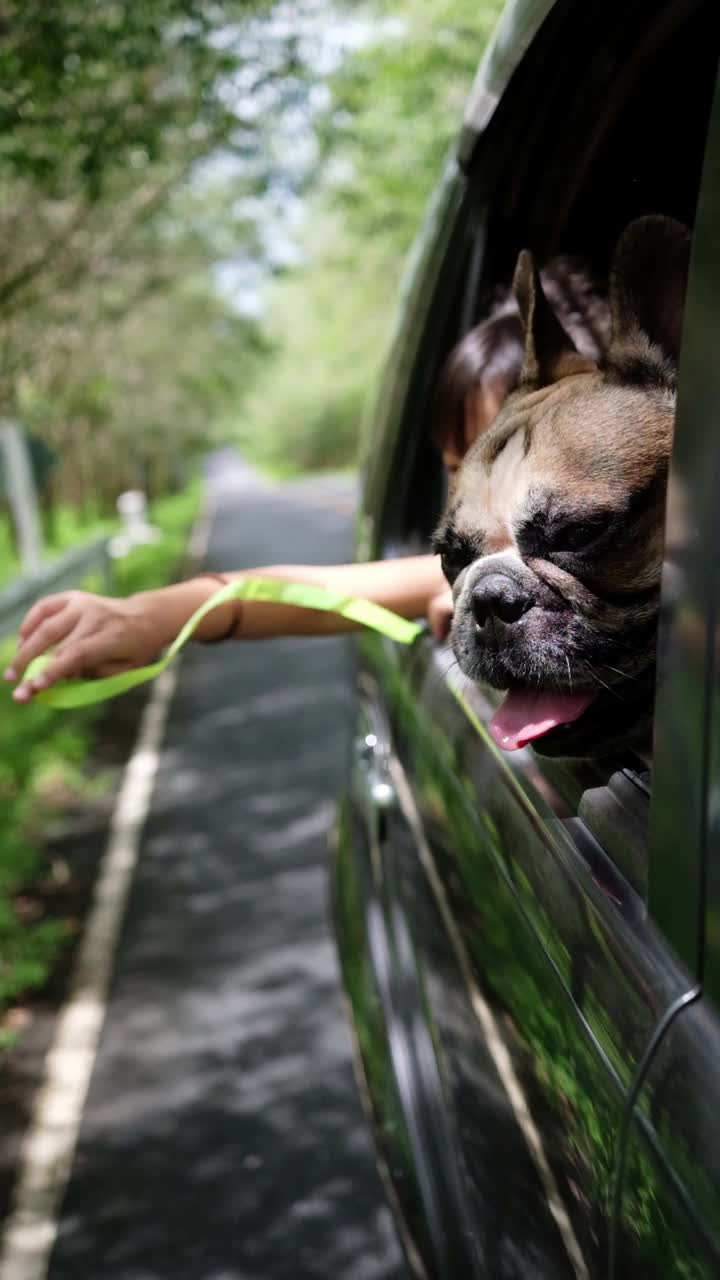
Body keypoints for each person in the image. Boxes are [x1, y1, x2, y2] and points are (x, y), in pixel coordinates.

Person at [5, 258, 609, 704]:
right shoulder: (479, 575)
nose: (477, 503)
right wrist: (148, 617)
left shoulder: (582, 559)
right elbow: (306, 593)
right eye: (458, 471)